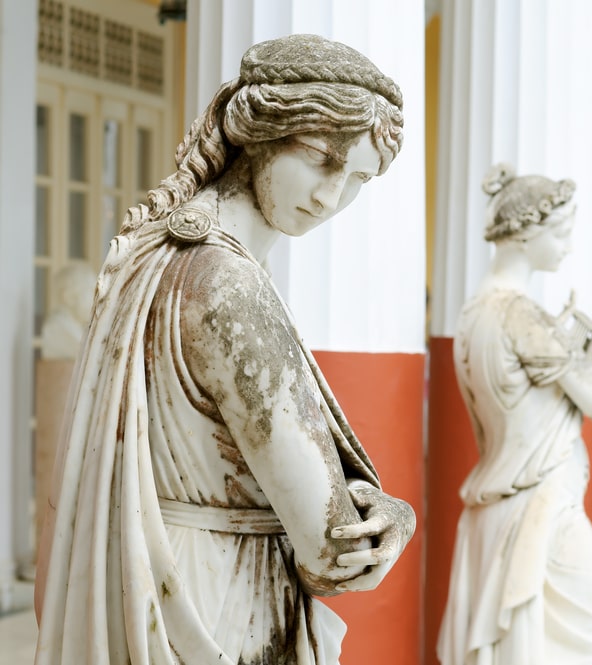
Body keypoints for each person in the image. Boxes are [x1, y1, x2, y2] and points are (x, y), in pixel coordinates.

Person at [34, 34, 415, 665]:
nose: (330, 198)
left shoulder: (158, 252)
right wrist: (395, 516)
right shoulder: (228, 286)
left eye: (358, 180)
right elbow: (334, 553)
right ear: (262, 130)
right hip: (219, 605)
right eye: (322, 157)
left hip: (148, 579)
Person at [437, 163, 592, 664]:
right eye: (561, 233)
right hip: (543, 510)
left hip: (508, 506)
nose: (568, 246)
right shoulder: (521, 313)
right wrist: (584, 354)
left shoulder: (474, 311)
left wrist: (569, 346)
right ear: (525, 235)